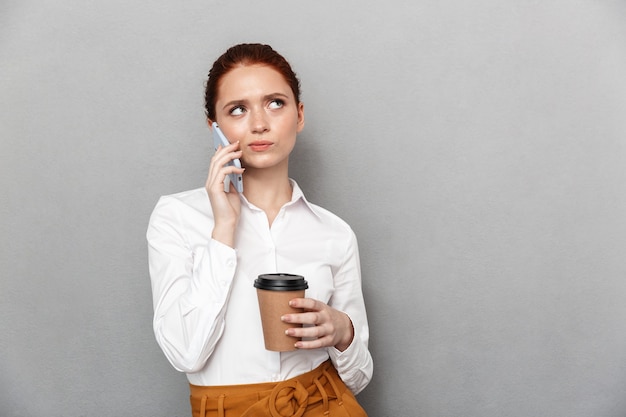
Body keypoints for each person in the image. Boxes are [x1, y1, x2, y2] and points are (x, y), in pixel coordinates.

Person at [147, 43, 373, 417]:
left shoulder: (334, 233)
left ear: (299, 115)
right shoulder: (176, 216)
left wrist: (343, 331)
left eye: (275, 103)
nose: (259, 124)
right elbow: (185, 353)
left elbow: (359, 377)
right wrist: (225, 226)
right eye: (238, 109)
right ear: (214, 128)